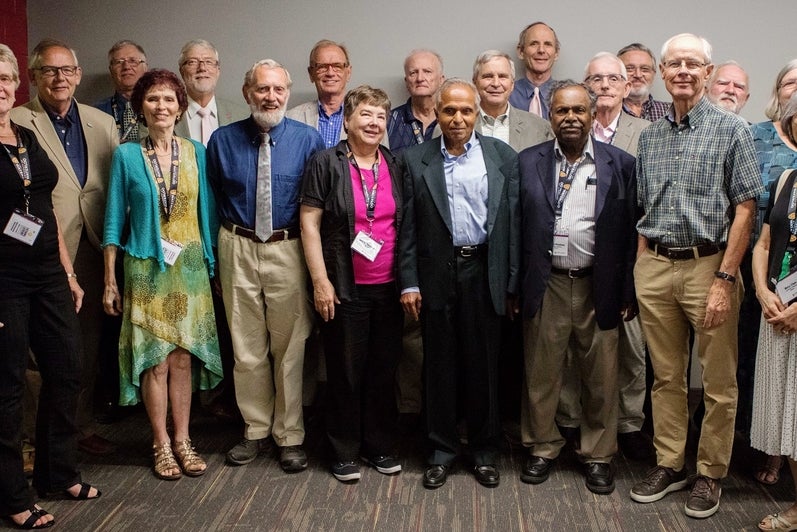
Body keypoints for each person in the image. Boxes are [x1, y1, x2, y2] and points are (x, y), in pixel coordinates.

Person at [630, 33, 762, 519]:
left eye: (693, 63)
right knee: (665, 377)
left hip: (711, 266)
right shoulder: (651, 137)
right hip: (656, 266)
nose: (683, 70)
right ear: (663, 74)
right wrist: (642, 266)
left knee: (718, 381)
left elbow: (747, 208)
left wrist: (726, 279)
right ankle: (670, 463)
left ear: (707, 73)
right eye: (674, 63)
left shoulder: (733, 131)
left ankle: (710, 473)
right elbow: (644, 207)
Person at [102, 69, 223, 481]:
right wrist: (109, 279)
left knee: (183, 360)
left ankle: (185, 440)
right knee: (155, 363)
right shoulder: (126, 156)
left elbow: (207, 214)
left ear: (180, 107)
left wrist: (211, 265)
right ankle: (161, 443)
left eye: (169, 99)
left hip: (189, 269)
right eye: (153, 99)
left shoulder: (195, 152)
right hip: (147, 267)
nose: (161, 107)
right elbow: (114, 220)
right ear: (141, 107)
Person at [518, 80, 637, 495]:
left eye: (578, 111)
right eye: (561, 111)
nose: (570, 118)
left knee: (602, 376)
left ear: (592, 114)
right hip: (546, 282)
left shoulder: (620, 164)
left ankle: (599, 455)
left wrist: (627, 292)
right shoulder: (527, 162)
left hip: (597, 284)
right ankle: (541, 447)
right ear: (550, 117)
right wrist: (518, 287)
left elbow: (628, 234)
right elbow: (516, 230)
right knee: (541, 373)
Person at [399, 78, 519, 489]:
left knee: (484, 365)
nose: (458, 118)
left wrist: (512, 282)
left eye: (466, 111)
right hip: (436, 273)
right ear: (436, 112)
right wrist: (409, 281)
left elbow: (513, 225)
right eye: (449, 110)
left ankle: (484, 451)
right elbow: (406, 229)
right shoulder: (415, 160)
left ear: (477, 113)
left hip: (484, 269)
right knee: (439, 366)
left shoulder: (501, 156)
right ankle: (441, 450)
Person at [0, 42, 100, 530]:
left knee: (66, 371)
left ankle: (57, 473)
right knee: (7, 387)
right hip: (4, 281)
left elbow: (44, 209)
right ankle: (11, 495)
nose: (0, 88)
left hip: (47, 273)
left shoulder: (23, 135)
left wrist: (67, 271)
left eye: (4, 78)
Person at [207, 59, 324, 473]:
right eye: (262, 89)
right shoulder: (221, 140)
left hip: (287, 247)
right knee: (246, 347)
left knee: (290, 348)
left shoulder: (308, 140)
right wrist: (212, 259)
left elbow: (317, 207)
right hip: (235, 244)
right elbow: (212, 200)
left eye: (277, 89)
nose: (270, 97)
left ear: (288, 93)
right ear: (247, 93)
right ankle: (255, 429)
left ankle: (290, 434)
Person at [11, 38, 119, 457]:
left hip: (91, 247)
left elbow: (108, 187)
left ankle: (79, 425)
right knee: (36, 352)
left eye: (68, 70)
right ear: (35, 76)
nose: (61, 78)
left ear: (77, 74)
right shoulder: (17, 119)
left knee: (86, 345)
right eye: (50, 71)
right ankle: (32, 436)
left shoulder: (100, 121)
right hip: (38, 248)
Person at [300, 85, 404, 482]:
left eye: (381, 116)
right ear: (347, 120)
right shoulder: (326, 163)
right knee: (344, 371)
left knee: (383, 369)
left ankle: (379, 445)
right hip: (344, 286)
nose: (374, 122)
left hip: (389, 286)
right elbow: (309, 223)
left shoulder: (394, 164)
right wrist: (320, 280)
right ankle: (343, 449)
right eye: (365, 115)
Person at [558, 52, 650, 461]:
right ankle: (573, 423)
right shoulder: (568, 127)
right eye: (597, 79)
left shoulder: (647, 133)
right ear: (587, 87)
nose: (606, 85)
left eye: (615, 78)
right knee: (576, 353)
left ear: (626, 85)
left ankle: (628, 425)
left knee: (630, 352)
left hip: (624, 264)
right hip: (573, 266)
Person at [745, 61, 797, 486]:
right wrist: (762, 291)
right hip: (776, 304)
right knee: (781, 402)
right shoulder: (787, 180)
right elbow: (763, 243)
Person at [472, 49, 553, 152]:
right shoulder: (461, 124)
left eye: (502, 76)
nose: (496, 83)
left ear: (512, 84)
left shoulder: (540, 128)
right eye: (488, 76)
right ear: (475, 83)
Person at [174, 39, 248, 145]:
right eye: (193, 62)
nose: (202, 68)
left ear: (218, 70)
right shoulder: (165, 115)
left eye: (208, 62)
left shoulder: (242, 116)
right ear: (182, 71)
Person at [287, 40, 352, 148]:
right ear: (311, 73)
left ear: (348, 73)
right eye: (322, 67)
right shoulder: (290, 119)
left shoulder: (370, 119)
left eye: (337, 66)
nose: (330, 73)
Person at [387, 49, 444, 154]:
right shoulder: (389, 121)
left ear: (441, 80)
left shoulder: (452, 120)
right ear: (406, 81)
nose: (420, 78)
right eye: (413, 73)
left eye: (427, 71)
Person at [95, 40, 148, 143]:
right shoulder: (96, 113)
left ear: (145, 67)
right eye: (119, 62)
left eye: (133, 61)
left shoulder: (160, 107)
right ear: (111, 70)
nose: (126, 67)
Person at [509, 22, 559, 118]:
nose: (541, 50)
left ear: (556, 53)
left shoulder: (566, 96)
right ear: (521, 52)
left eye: (548, 44)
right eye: (534, 44)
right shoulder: (506, 94)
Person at [617, 43, 670, 122]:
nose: (638, 75)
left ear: (654, 74)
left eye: (644, 69)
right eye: (629, 69)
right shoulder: (608, 113)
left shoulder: (670, 112)